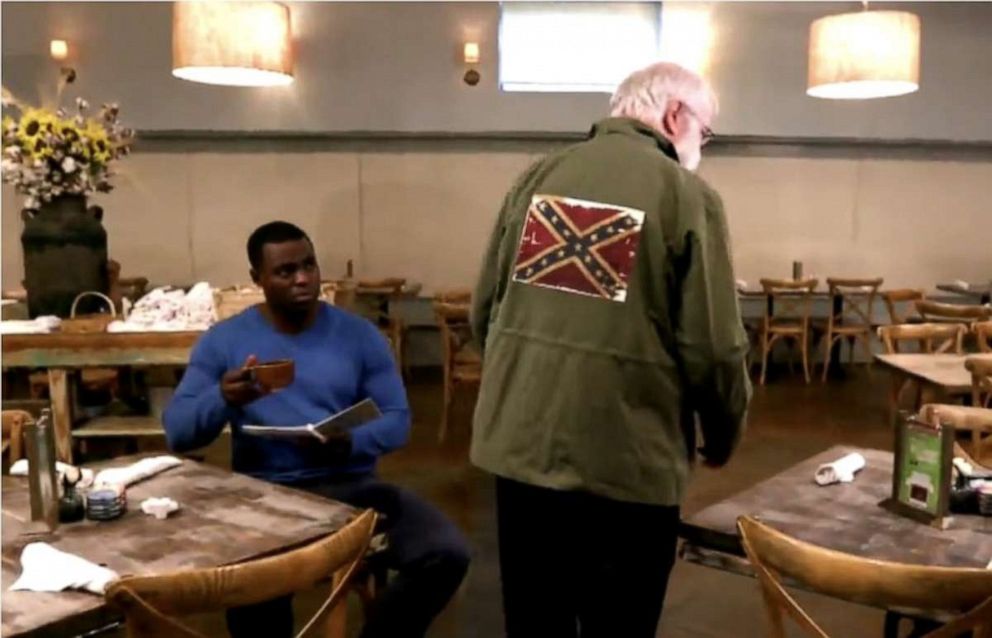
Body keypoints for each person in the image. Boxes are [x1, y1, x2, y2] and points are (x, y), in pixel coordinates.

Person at [470, 62, 752, 638]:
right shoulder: (685, 195)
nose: (702, 145)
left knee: (535, 622)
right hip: (627, 464)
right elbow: (714, 349)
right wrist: (722, 434)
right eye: (705, 131)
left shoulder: (536, 177)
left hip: (521, 454)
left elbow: (484, 315)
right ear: (676, 116)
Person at [163, 221, 470, 638]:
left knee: (445, 553)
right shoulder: (224, 341)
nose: (303, 278)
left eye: (309, 265)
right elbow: (178, 432)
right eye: (286, 271)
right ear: (258, 279)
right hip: (262, 495)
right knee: (253, 589)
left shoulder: (359, 335)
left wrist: (352, 442)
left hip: (351, 488)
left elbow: (397, 417)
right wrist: (224, 398)